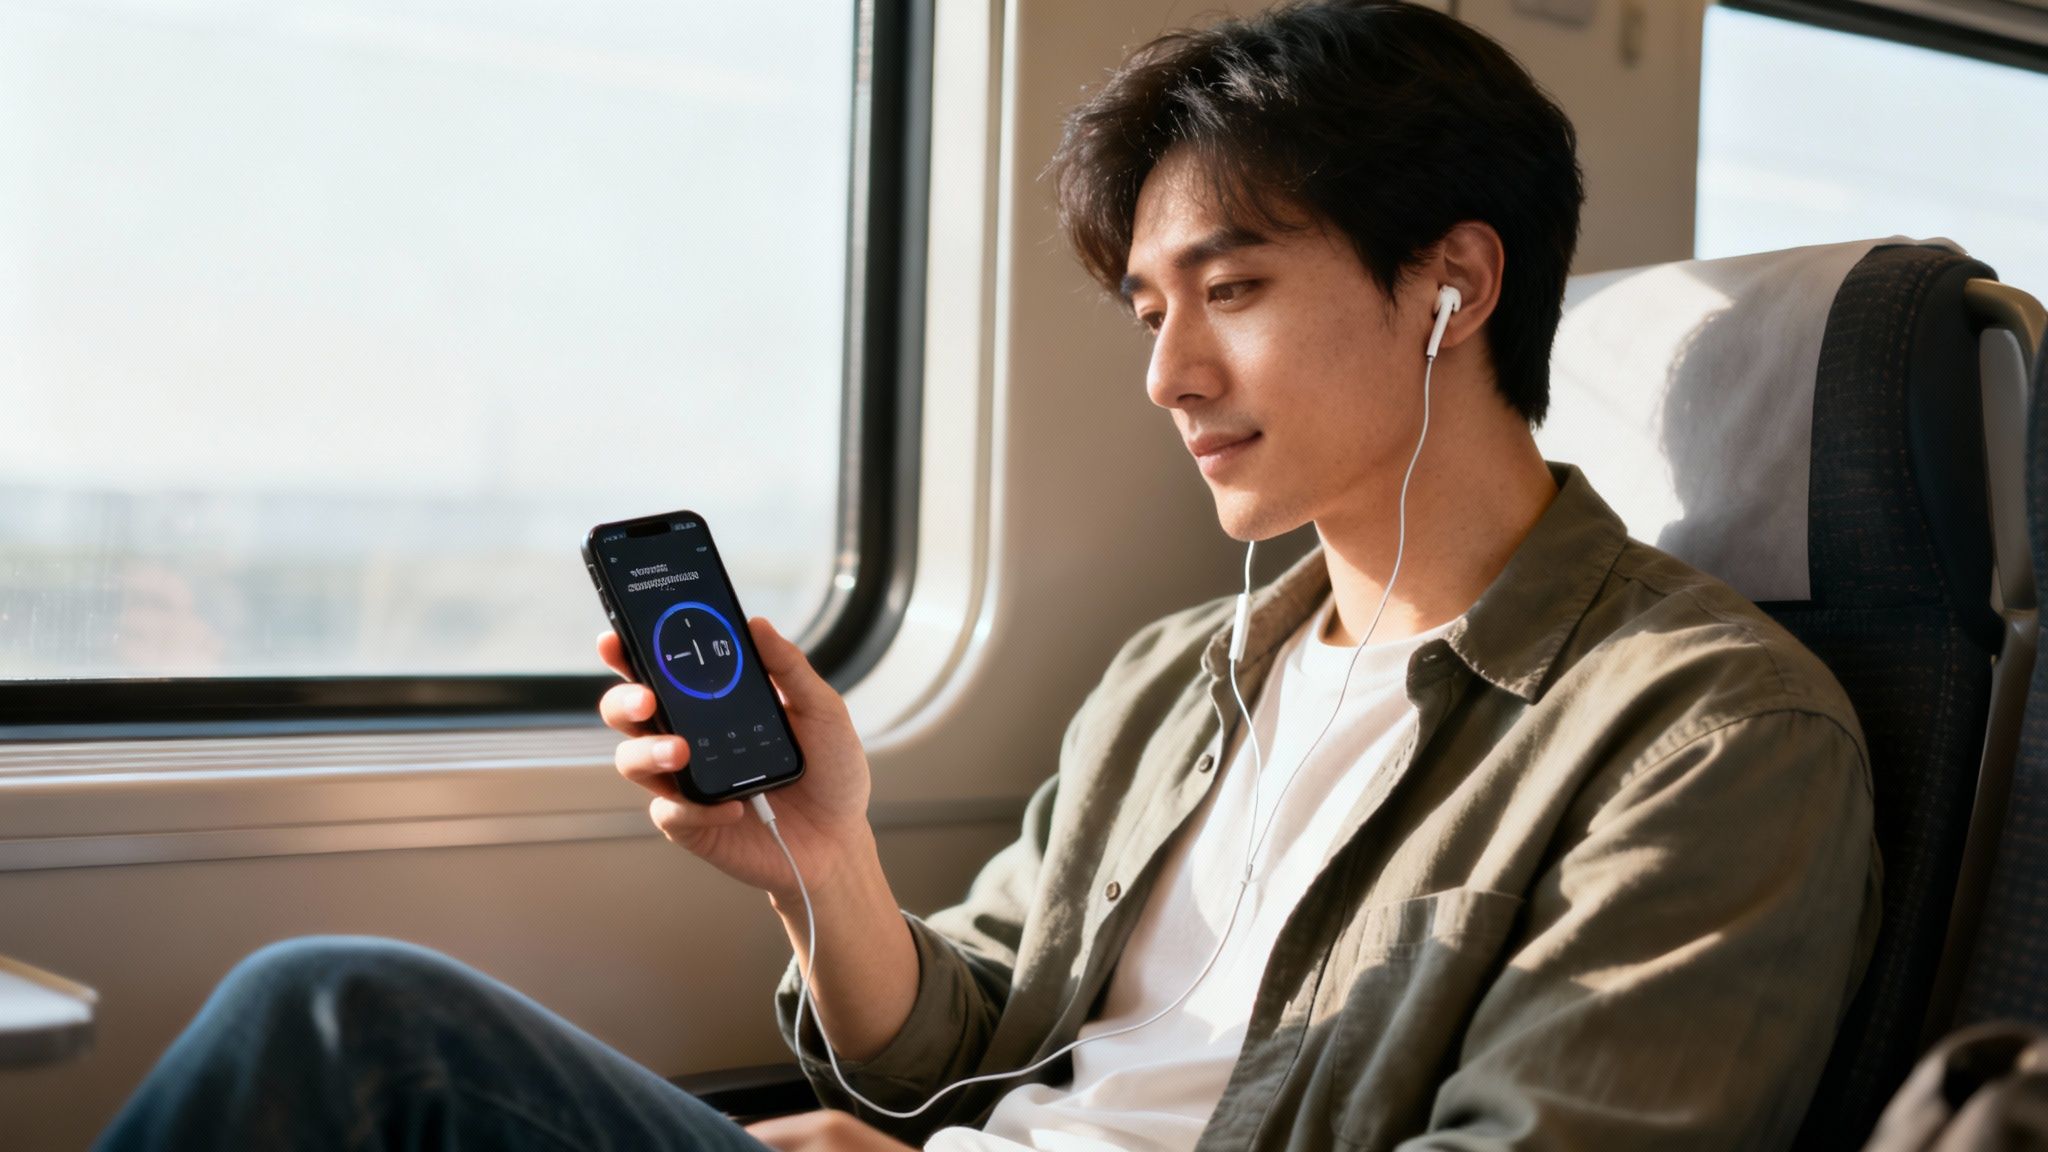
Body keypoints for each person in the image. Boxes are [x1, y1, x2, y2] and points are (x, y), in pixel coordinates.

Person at [94, 3, 1880, 1150]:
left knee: (349, 1027)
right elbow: (962, 1046)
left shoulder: (1706, 738)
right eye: (1150, 311)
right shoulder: (1183, 677)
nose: (1168, 376)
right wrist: (825, 864)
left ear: (1453, 286)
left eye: (1232, 291)